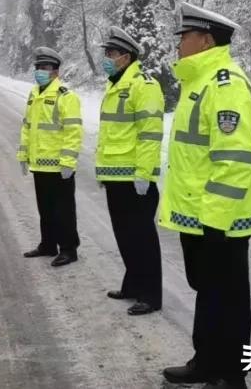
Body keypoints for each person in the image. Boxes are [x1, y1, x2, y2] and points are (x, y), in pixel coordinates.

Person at [159, 3, 251, 389]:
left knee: (228, 295)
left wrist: (216, 218)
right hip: (201, 213)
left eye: (184, 37)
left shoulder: (225, 85)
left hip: (220, 216)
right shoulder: (199, 82)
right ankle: (207, 360)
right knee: (209, 290)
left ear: (205, 40)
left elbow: (236, 159)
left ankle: (231, 373)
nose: (178, 44)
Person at [95, 26, 164, 316]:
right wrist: (102, 170)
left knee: (142, 238)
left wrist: (143, 174)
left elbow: (150, 133)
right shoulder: (115, 84)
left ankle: (151, 294)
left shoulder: (143, 85)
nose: (107, 58)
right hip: (115, 175)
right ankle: (133, 284)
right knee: (124, 236)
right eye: (107, 54)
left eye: (111, 54)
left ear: (126, 56)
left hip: (134, 178)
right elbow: (111, 133)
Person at [17, 47, 83, 267]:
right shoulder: (34, 94)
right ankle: (48, 244)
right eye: (37, 68)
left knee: (63, 210)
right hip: (39, 164)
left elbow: (73, 131)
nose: (39, 71)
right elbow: (27, 127)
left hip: (59, 166)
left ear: (55, 71)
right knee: (45, 208)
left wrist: (68, 161)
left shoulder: (66, 96)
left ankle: (68, 249)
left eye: (44, 68)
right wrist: (23, 154)